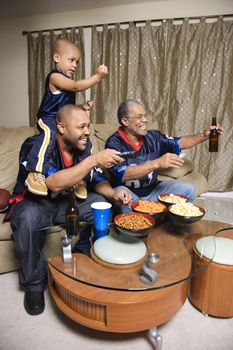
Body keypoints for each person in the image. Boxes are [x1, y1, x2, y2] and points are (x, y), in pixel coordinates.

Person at [10, 104, 131, 316]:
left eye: (88, 126)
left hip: (68, 201)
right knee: (27, 218)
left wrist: (113, 195)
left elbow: (95, 178)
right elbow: (53, 183)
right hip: (36, 203)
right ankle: (34, 283)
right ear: (62, 127)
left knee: (102, 205)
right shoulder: (38, 144)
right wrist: (95, 158)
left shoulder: (83, 147)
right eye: (81, 126)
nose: (87, 131)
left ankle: (82, 254)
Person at [25, 38, 108, 198]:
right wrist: (97, 77)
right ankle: (36, 173)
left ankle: (80, 180)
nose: (75, 65)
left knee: (82, 139)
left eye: (77, 62)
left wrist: (81, 108)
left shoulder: (66, 81)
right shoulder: (55, 77)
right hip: (48, 117)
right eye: (71, 60)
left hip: (62, 119)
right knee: (49, 134)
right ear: (56, 58)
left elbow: (66, 109)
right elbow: (76, 86)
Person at [105, 99, 223, 212]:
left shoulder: (154, 137)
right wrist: (157, 163)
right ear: (125, 121)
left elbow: (180, 142)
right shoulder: (114, 143)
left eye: (145, 115)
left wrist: (203, 135)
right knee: (123, 200)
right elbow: (122, 174)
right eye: (139, 117)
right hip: (129, 192)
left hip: (154, 190)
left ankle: (171, 225)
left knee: (188, 190)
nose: (145, 120)